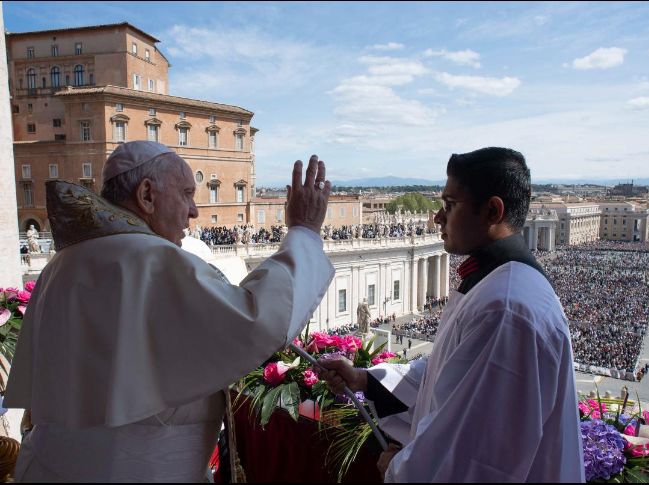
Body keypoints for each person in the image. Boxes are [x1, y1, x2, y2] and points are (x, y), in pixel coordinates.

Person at [4, 141, 335, 482]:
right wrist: (304, 233)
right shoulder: (148, 261)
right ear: (147, 195)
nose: (193, 211)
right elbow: (258, 320)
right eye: (187, 194)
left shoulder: (63, 262)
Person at [318, 147, 584, 482]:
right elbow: (444, 375)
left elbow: (471, 454)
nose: (437, 218)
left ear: (492, 210)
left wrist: (399, 469)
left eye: (449, 205)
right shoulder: (498, 287)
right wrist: (365, 380)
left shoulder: (504, 308)